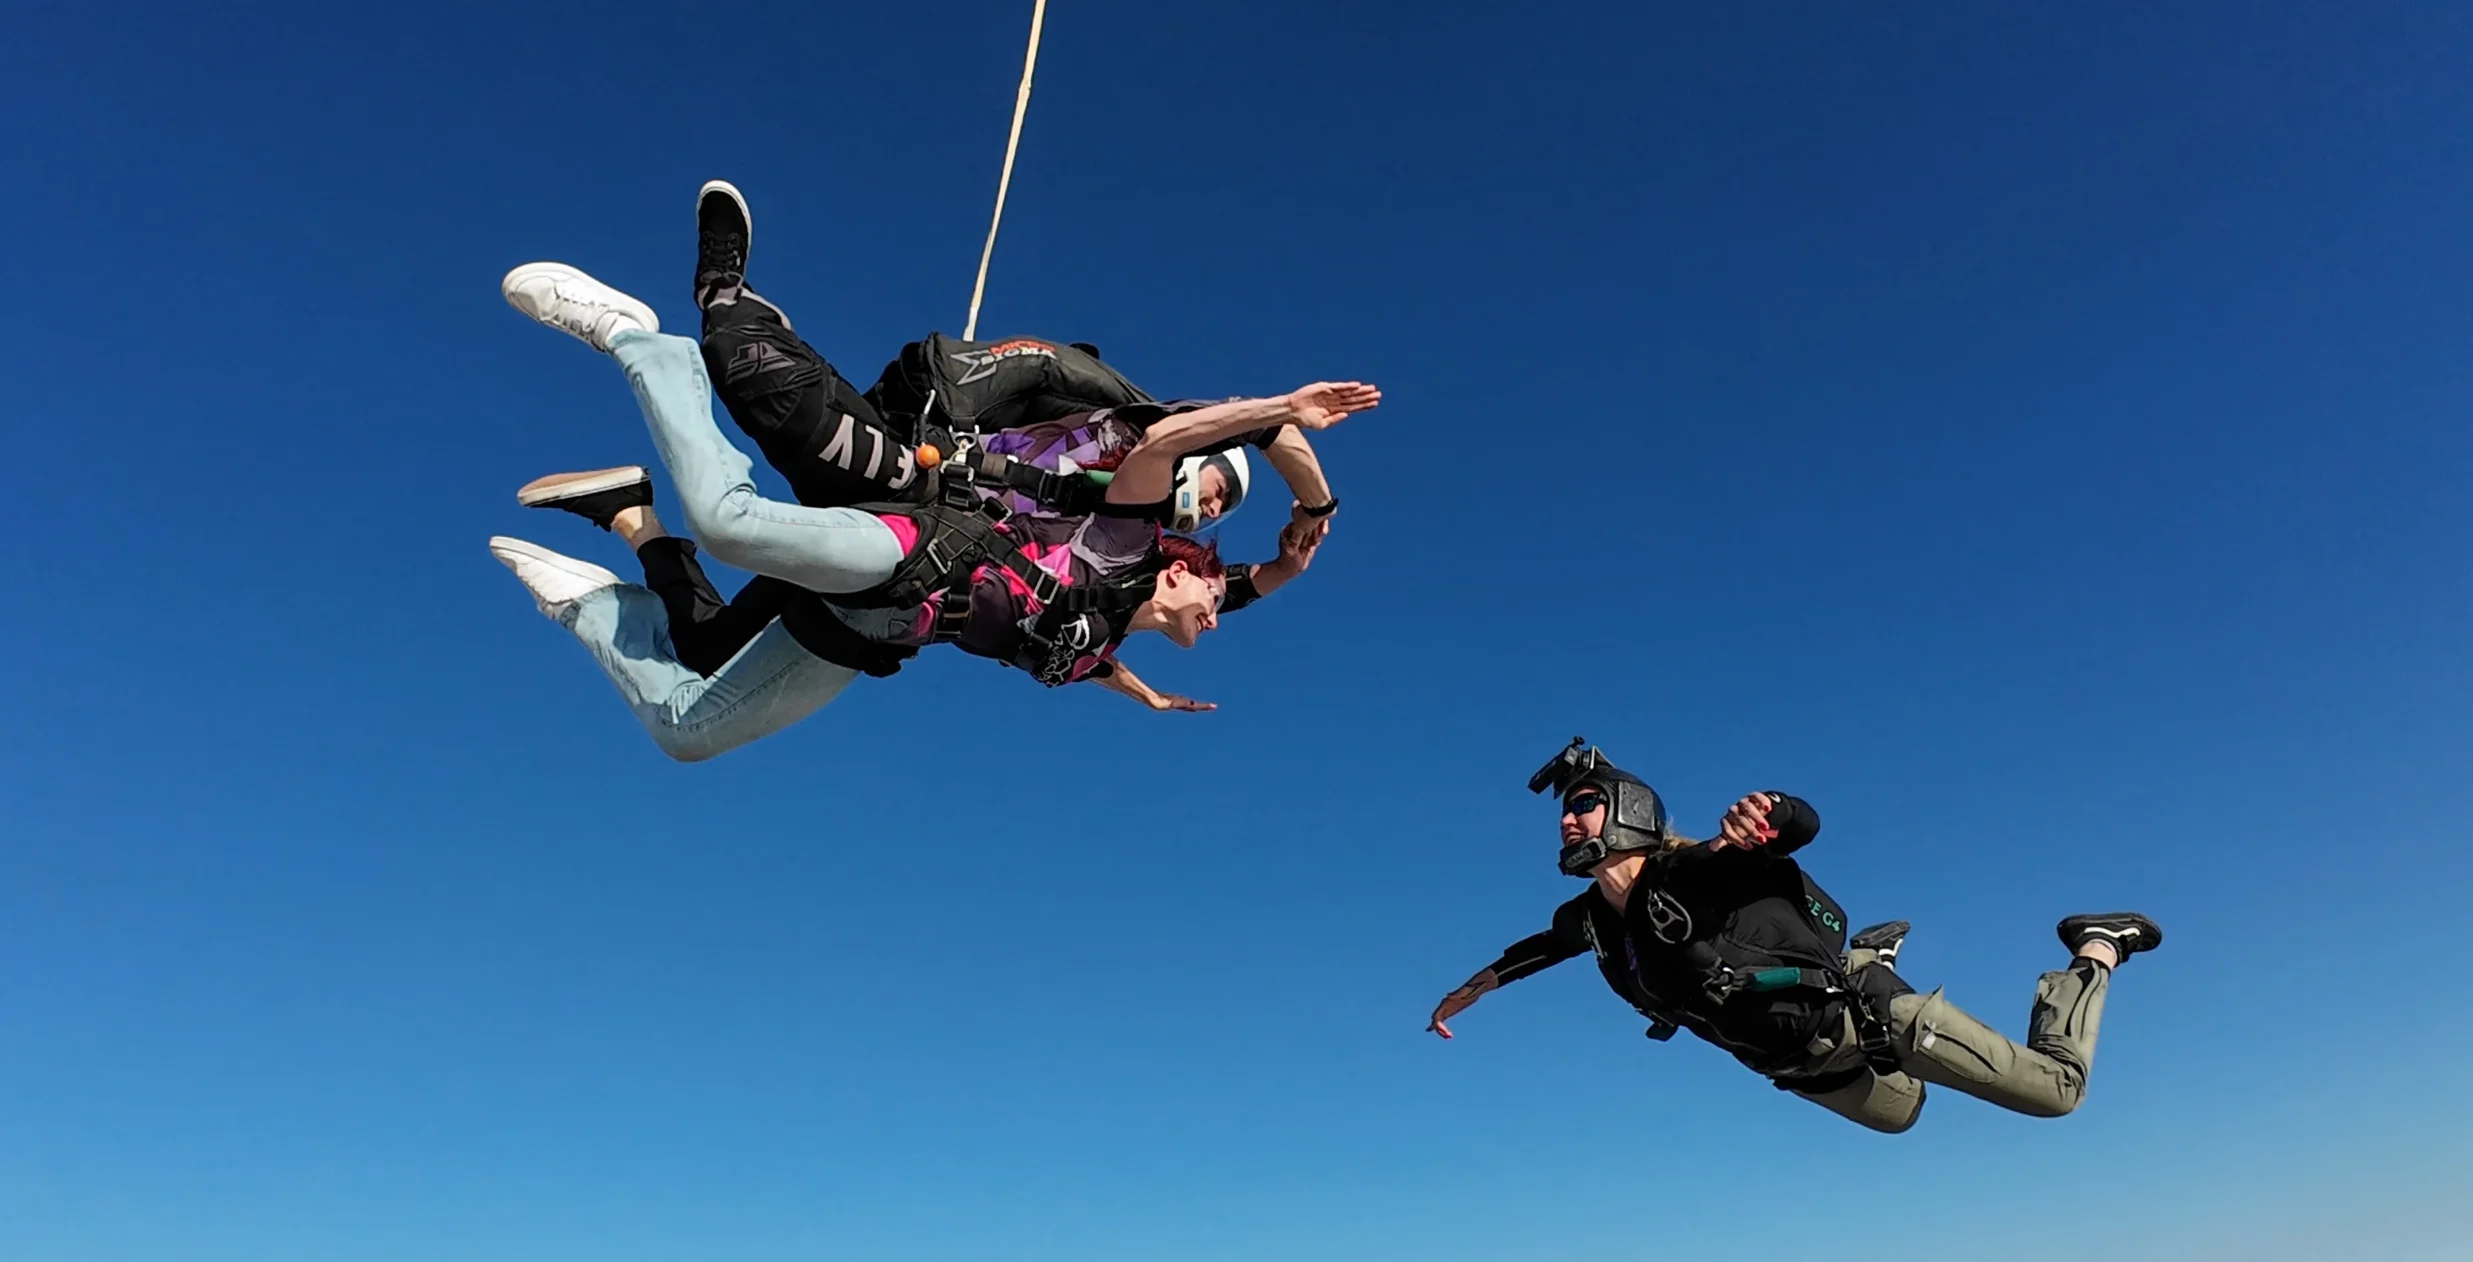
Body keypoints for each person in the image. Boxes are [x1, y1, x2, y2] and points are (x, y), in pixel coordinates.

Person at [493, 260, 1377, 758]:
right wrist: (1286, 423)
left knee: (689, 730)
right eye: (1216, 591)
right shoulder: (1126, 538)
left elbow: (1151, 631)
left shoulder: (1100, 644)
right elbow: (1169, 448)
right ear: (1182, 569)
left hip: (871, 633)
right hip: (913, 546)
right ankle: (647, 344)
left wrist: (1147, 694)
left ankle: (595, 599)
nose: (1222, 611)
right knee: (729, 521)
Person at [1424, 739, 2164, 1134]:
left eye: (1583, 804)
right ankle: (1866, 954)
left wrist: (1770, 810)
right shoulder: (1592, 919)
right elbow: (1536, 950)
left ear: (1627, 809)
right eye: (1564, 811)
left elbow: (1797, 827)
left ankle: (2096, 947)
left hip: (1868, 1020)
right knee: (1903, 1115)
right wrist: (1468, 992)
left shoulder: (1699, 870)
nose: (1567, 819)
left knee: (2057, 1094)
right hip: (1800, 1068)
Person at [686, 179, 1344, 539]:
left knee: (759, 520)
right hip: (937, 430)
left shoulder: (1123, 529)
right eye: (1222, 487)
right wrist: (1317, 509)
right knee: (768, 390)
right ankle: (725, 298)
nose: (1214, 507)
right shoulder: (1143, 427)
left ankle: (732, 321)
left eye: (1225, 509)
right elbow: (1267, 426)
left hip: (921, 506)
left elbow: (1192, 596)